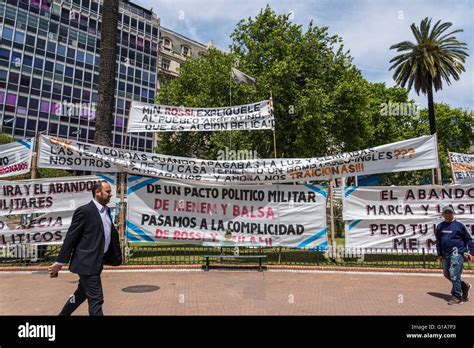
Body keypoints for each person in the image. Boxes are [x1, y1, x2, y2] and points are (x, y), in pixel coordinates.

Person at [48, 180, 122, 315]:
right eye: (108, 191)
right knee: (96, 298)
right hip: (86, 263)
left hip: (96, 261)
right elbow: (71, 237)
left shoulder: (107, 210)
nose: (111, 195)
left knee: (81, 294)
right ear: (97, 192)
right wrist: (59, 262)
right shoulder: (84, 211)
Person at [435, 205, 473, 305]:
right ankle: (464, 286)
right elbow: (438, 241)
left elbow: (469, 239)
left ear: (453, 213)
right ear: (443, 214)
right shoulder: (440, 226)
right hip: (445, 254)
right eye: (446, 212)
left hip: (457, 253)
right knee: (447, 274)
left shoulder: (459, 226)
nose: (448, 214)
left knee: (454, 274)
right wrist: (439, 254)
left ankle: (457, 296)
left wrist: (472, 252)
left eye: (449, 212)